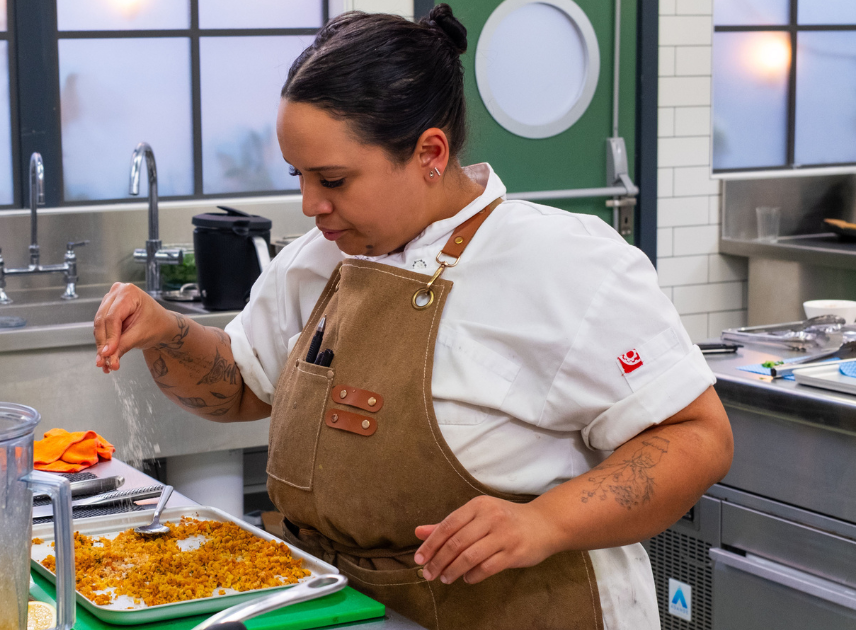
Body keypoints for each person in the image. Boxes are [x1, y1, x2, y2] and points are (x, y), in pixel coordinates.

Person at [92, 6, 732, 630]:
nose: (311, 204)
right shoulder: (318, 261)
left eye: (335, 180)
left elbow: (697, 438)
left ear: (430, 152)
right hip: (343, 605)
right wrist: (166, 330)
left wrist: (545, 522)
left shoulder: (568, 264)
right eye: (300, 176)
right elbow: (238, 386)